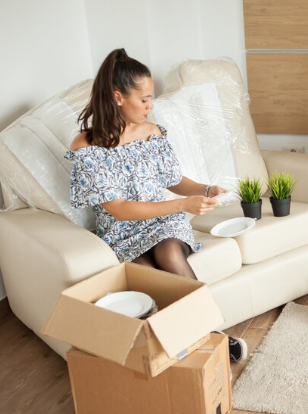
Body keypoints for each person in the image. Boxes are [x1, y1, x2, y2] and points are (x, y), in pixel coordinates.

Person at [65, 48, 247, 362]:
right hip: (121, 232)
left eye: (151, 99)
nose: (151, 106)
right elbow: (119, 209)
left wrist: (205, 189)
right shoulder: (87, 145)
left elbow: (173, 181)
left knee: (169, 253)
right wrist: (182, 205)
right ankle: (198, 345)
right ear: (118, 97)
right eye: (144, 99)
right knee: (148, 277)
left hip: (163, 223)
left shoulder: (153, 133)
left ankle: (212, 334)